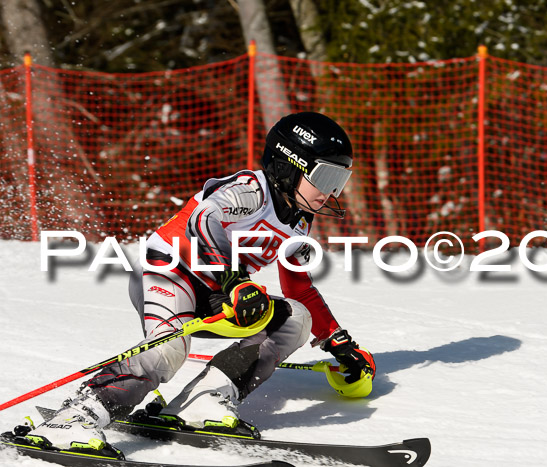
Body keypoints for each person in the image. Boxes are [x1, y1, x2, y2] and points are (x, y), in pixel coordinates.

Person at [26, 112, 376, 455]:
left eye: (338, 181)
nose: (330, 192)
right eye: (325, 177)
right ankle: (75, 417)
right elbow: (203, 220)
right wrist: (235, 281)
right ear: (289, 165)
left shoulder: (299, 221)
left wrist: (339, 343)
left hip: (216, 295)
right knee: (168, 349)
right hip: (167, 270)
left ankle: (201, 401)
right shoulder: (250, 191)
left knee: (296, 317)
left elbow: (298, 286)